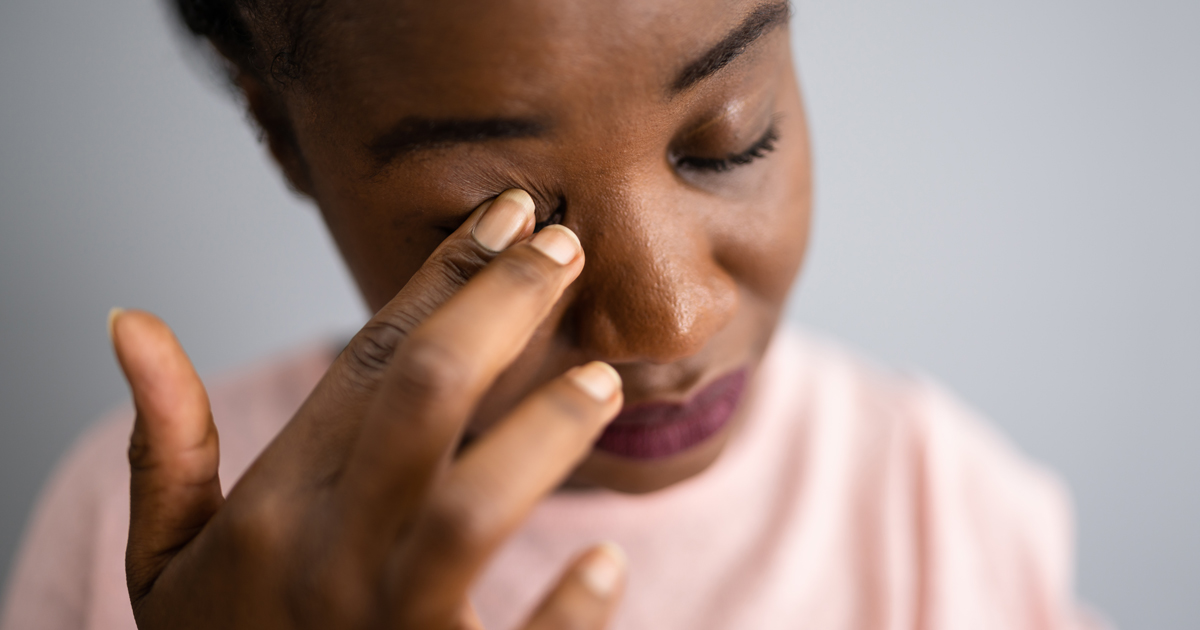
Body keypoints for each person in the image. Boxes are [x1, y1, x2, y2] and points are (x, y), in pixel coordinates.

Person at [0, 0, 1107, 628]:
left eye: (730, 141)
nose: (668, 328)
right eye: (501, 216)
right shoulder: (153, 549)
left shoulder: (943, 518)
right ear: (285, 140)